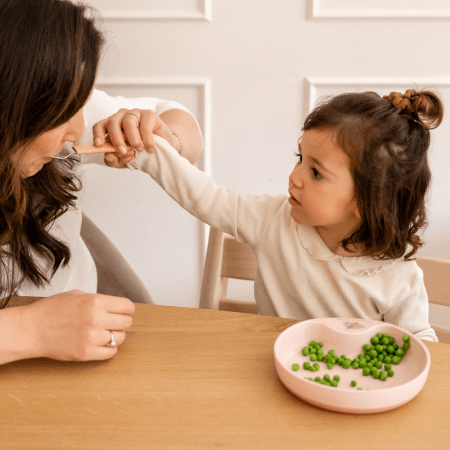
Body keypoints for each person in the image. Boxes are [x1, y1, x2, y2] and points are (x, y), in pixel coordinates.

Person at [103, 88, 443, 342]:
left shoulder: (398, 276)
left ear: (368, 201)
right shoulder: (272, 220)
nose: (294, 177)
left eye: (316, 173)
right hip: (273, 376)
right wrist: (147, 154)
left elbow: (421, 342)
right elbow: (207, 197)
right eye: (300, 159)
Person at [0, 0, 203, 365]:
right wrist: (31, 331)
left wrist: (166, 140)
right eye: (65, 111)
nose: (78, 130)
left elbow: (182, 123)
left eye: (83, 102)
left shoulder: (70, 118)